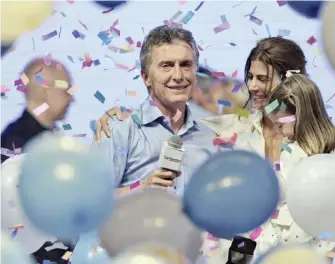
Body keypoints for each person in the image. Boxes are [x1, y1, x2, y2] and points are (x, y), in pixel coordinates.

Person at [94, 37, 335, 261]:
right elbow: (176, 120)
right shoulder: (235, 131)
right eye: (250, 77)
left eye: (263, 78)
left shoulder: (332, 142)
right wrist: (119, 113)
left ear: (290, 80)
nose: (253, 86)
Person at [92, 25, 216, 195]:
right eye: (166, 66)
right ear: (146, 77)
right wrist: (140, 188)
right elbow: (91, 199)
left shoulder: (212, 131)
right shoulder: (119, 127)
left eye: (186, 65)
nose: (178, 76)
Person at [1, 58, 74, 263]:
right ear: (45, 92)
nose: (71, 99)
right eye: (65, 91)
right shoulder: (15, 143)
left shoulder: (51, 139)